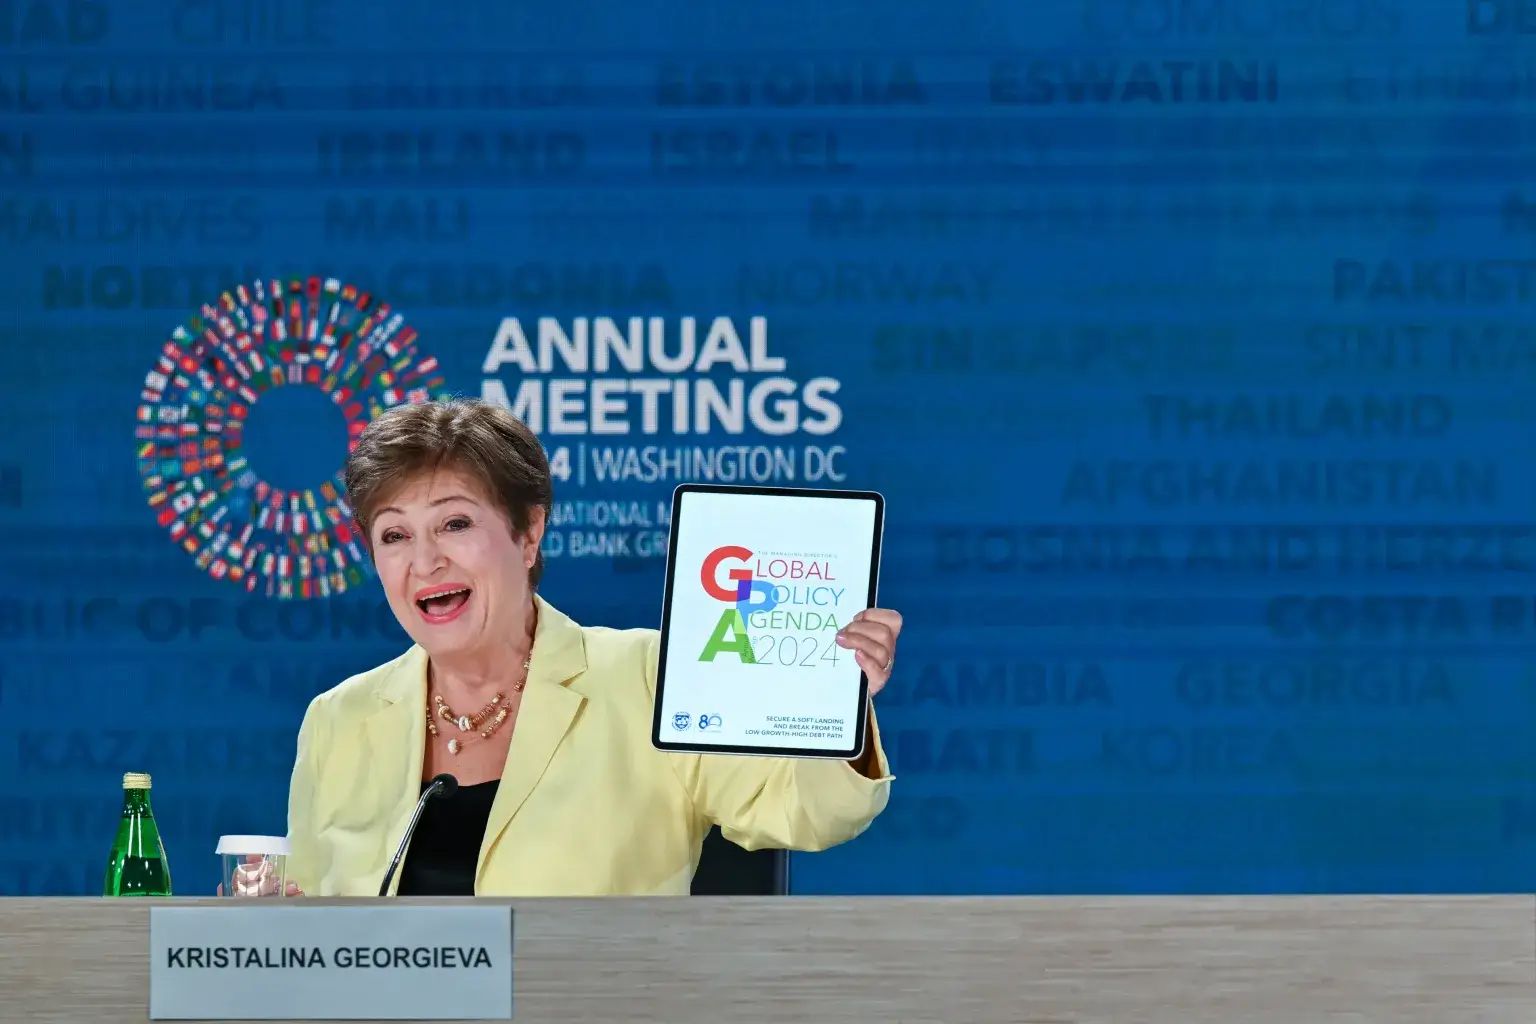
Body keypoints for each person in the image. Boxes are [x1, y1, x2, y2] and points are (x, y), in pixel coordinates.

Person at [283, 397, 902, 896]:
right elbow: (311, 932)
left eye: (455, 524)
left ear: (529, 534)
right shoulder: (338, 720)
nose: (424, 561)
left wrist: (837, 699)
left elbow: (803, 812)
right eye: (394, 535)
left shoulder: (648, 677)